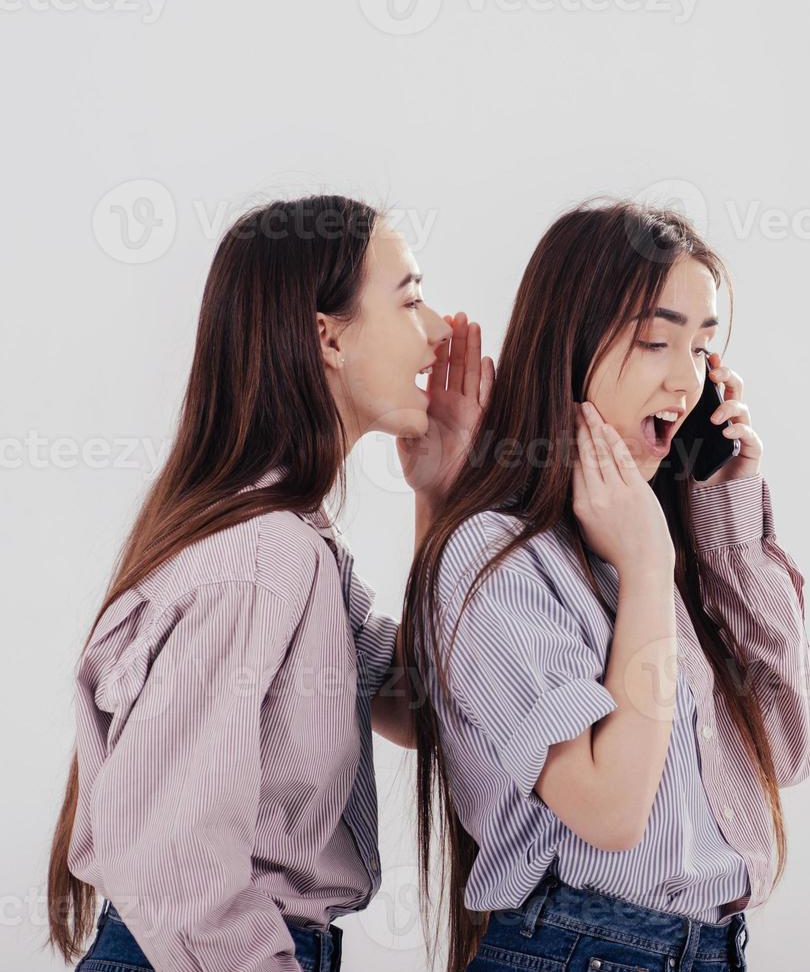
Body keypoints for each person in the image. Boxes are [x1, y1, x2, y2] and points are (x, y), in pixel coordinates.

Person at [46, 194, 491, 972]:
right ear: (326, 335)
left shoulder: (294, 542)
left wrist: (436, 497)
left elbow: (421, 702)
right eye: (411, 297)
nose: (440, 328)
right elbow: (173, 859)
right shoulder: (260, 559)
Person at [402, 200, 810, 972]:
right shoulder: (498, 555)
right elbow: (610, 811)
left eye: (702, 348)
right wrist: (648, 568)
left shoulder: (659, 551)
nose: (685, 380)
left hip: (707, 949)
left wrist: (725, 518)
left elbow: (785, 748)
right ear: (571, 347)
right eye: (656, 340)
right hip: (583, 949)